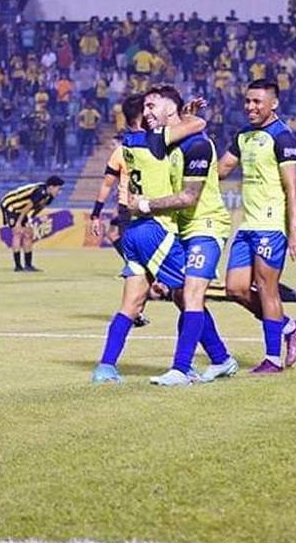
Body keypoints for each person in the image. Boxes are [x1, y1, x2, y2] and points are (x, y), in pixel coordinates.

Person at [91, 89, 208, 385]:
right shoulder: (155, 140)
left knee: (130, 305)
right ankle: (197, 363)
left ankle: (105, 367)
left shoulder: (128, 144)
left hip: (133, 231)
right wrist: (184, 115)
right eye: (148, 109)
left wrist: (179, 113)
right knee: (192, 297)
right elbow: (199, 125)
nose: (151, 113)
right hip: (157, 229)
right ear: (141, 118)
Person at [130, 85, 237, 385]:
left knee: (191, 294)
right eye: (145, 107)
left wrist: (145, 205)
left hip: (207, 226)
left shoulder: (198, 146)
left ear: (170, 108)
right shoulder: (169, 145)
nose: (146, 113)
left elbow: (190, 196)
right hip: (181, 230)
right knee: (181, 297)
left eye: (152, 106)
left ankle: (181, 368)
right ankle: (221, 359)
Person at [217, 79, 296, 375]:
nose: (251, 107)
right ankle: (290, 327)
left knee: (267, 289)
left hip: (271, 226)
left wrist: (295, 229)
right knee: (235, 289)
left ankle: (273, 359)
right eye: (247, 101)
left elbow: (292, 186)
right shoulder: (243, 136)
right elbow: (220, 170)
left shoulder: (282, 138)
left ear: (274, 103)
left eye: (257, 102)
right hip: (247, 226)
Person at [90, 93, 150, 328]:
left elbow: (107, 185)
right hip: (131, 210)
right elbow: (107, 184)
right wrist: (95, 214)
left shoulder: (160, 146)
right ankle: (136, 310)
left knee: (142, 265)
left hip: (155, 210)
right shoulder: (122, 152)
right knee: (137, 264)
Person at [0, 175, 65, 272]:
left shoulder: (49, 196)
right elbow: (28, 207)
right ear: (51, 187)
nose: (60, 192)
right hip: (10, 205)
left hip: (21, 209)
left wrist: (30, 218)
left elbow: (39, 207)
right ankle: (18, 266)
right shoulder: (40, 192)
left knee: (29, 234)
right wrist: (18, 223)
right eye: (58, 189)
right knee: (17, 233)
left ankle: (28, 265)